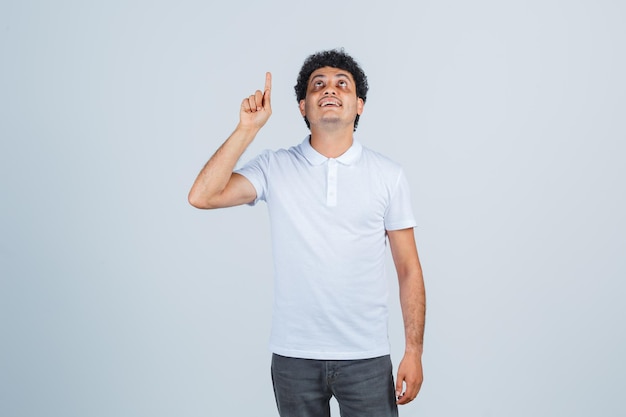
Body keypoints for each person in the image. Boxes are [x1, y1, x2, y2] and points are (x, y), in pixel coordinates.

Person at [188, 48, 425, 417]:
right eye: (319, 85)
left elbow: (409, 268)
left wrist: (414, 351)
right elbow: (202, 196)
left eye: (341, 84)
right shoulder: (274, 166)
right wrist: (247, 129)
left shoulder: (387, 175)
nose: (330, 89)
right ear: (303, 106)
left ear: (359, 104)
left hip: (365, 356)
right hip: (294, 357)